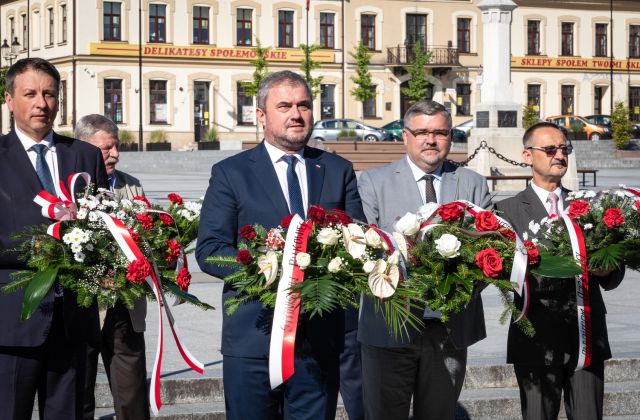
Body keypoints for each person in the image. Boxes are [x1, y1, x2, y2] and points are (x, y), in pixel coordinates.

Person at [196, 70, 365, 420]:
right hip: (252, 337)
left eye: (304, 105)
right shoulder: (231, 173)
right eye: (284, 105)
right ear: (261, 115)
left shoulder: (336, 169)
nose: (296, 114)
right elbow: (210, 249)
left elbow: (359, 242)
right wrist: (270, 266)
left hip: (319, 341)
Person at [357, 100, 491, 420]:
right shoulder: (372, 183)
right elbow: (364, 253)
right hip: (389, 326)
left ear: (450, 137)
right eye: (422, 132)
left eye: (440, 133)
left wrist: (457, 280)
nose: (431, 140)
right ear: (405, 136)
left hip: (449, 330)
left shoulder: (472, 183)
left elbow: (491, 254)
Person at [0, 58, 107, 419]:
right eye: (30, 94)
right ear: (9, 99)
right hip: (12, 322)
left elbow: (105, 227)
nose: (41, 103)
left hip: (74, 323)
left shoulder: (85, 155)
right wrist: (36, 248)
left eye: (49, 93)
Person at [495, 122, 624, 420]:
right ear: (527, 156)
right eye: (550, 149)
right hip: (536, 339)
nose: (559, 155)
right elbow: (502, 276)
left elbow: (614, 273)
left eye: (564, 149)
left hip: (587, 337)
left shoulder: (590, 206)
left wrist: (607, 270)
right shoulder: (506, 211)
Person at [75, 114, 149, 420]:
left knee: (132, 395)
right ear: (84, 148)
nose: (115, 154)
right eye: (106, 148)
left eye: (116, 146)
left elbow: (148, 238)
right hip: (81, 304)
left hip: (124, 306)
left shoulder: (132, 186)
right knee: (78, 394)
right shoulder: (69, 187)